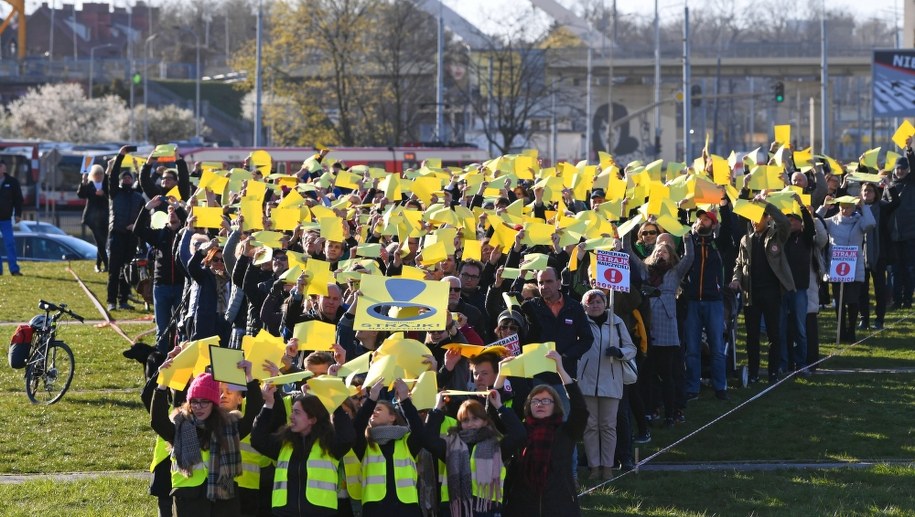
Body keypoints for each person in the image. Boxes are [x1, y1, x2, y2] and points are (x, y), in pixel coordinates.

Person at [151, 366, 260, 517]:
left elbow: (253, 414)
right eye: (194, 402)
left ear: (214, 404)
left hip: (222, 500)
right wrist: (162, 383)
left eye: (204, 402)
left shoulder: (228, 426)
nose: (198, 407)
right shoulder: (180, 425)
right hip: (187, 500)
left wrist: (250, 378)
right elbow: (157, 421)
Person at [502, 351, 587, 517]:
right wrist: (501, 375)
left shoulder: (566, 431)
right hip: (522, 507)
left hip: (559, 507)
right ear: (529, 406)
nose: (540, 404)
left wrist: (561, 371)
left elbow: (580, 409)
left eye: (546, 400)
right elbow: (496, 412)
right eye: (535, 401)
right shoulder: (520, 431)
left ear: (555, 405)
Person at [250, 385, 355, 517]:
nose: (291, 416)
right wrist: (269, 404)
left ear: (312, 419)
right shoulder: (285, 443)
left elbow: (347, 437)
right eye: (292, 411)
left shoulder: (329, 444)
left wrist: (335, 406)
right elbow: (257, 439)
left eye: (297, 412)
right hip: (284, 513)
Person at [424, 389, 526, 517]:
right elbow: (428, 440)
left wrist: (499, 406)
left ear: (485, 421)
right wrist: (437, 408)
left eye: (475, 418)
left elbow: (520, 434)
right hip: (454, 508)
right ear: (460, 424)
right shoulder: (450, 445)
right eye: (465, 420)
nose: (470, 424)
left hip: (486, 509)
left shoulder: (496, 446)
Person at [625, 237, 693, 425]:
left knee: (667, 374)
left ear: (671, 256)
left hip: (668, 328)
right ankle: (651, 409)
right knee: (648, 373)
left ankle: (670, 414)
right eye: (657, 251)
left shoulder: (674, 273)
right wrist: (627, 230)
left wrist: (687, 236)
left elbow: (689, 257)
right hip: (649, 326)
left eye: (664, 251)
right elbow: (629, 252)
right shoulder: (645, 271)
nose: (660, 253)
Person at [731, 198, 794, 383]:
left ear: (767, 218)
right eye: (751, 218)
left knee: (774, 334)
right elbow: (739, 263)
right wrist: (736, 279)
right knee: (752, 336)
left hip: (772, 292)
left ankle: (773, 372)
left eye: (758, 217)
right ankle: (754, 373)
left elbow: (784, 222)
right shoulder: (746, 239)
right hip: (751, 293)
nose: (754, 221)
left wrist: (766, 204)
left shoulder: (776, 235)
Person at [577, 289, 636, 479]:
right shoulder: (580, 323)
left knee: (609, 426)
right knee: (590, 426)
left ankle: (608, 467)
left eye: (598, 302)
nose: (594, 306)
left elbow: (631, 349)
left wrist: (619, 352)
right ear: (584, 306)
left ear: (605, 303)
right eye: (590, 303)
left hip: (611, 382)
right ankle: (594, 467)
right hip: (586, 382)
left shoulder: (616, 323)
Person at [352, 378, 426, 517]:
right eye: (372, 410)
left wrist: (404, 399)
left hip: (407, 509)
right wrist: (371, 399)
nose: (373, 412)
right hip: (375, 510)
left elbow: (418, 429)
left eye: (378, 409)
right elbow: (356, 428)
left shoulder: (405, 442)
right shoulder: (366, 444)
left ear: (393, 417)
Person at [817, 195, 876, 342]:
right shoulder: (832, 222)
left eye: (848, 207)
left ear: (853, 208)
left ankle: (851, 330)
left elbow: (871, 224)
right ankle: (841, 331)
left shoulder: (859, 221)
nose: (844, 210)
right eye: (842, 207)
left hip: (854, 266)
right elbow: (816, 222)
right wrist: (824, 207)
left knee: (853, 300)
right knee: (840, 300)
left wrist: (863, 205)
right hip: (837, 267)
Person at [105, 148, 146, 310]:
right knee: (114, 271)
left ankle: (123, 301)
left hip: (131, 237)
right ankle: (111, 301)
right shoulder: (115, 193)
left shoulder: (138, 196)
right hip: (116, 235)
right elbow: (113, 176)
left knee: (127, 271)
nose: (127, 179)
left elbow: (144, 181)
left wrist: (135, 227)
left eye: (130, 177)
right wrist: (121, 156)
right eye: (125, 177)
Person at [77, 163, 110, 273]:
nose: (99, 175)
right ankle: (107, 265)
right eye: (96, 173)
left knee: (102, 243)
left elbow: (111, 198)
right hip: (92, 219)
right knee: (100, 242)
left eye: (101, 173)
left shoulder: (106, 184)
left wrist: (103, 194)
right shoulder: (90, 184)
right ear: (93, 174)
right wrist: (83, 182)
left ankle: (97, 265)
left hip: (105, 218)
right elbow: (81, 195)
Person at [0, 158, 23, 276]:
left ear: (4, 168)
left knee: (10, 243)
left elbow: (18, 199)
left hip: (5, 219)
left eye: (1, 166)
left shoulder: (12, 182)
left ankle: (14, 269)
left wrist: (18, 214)